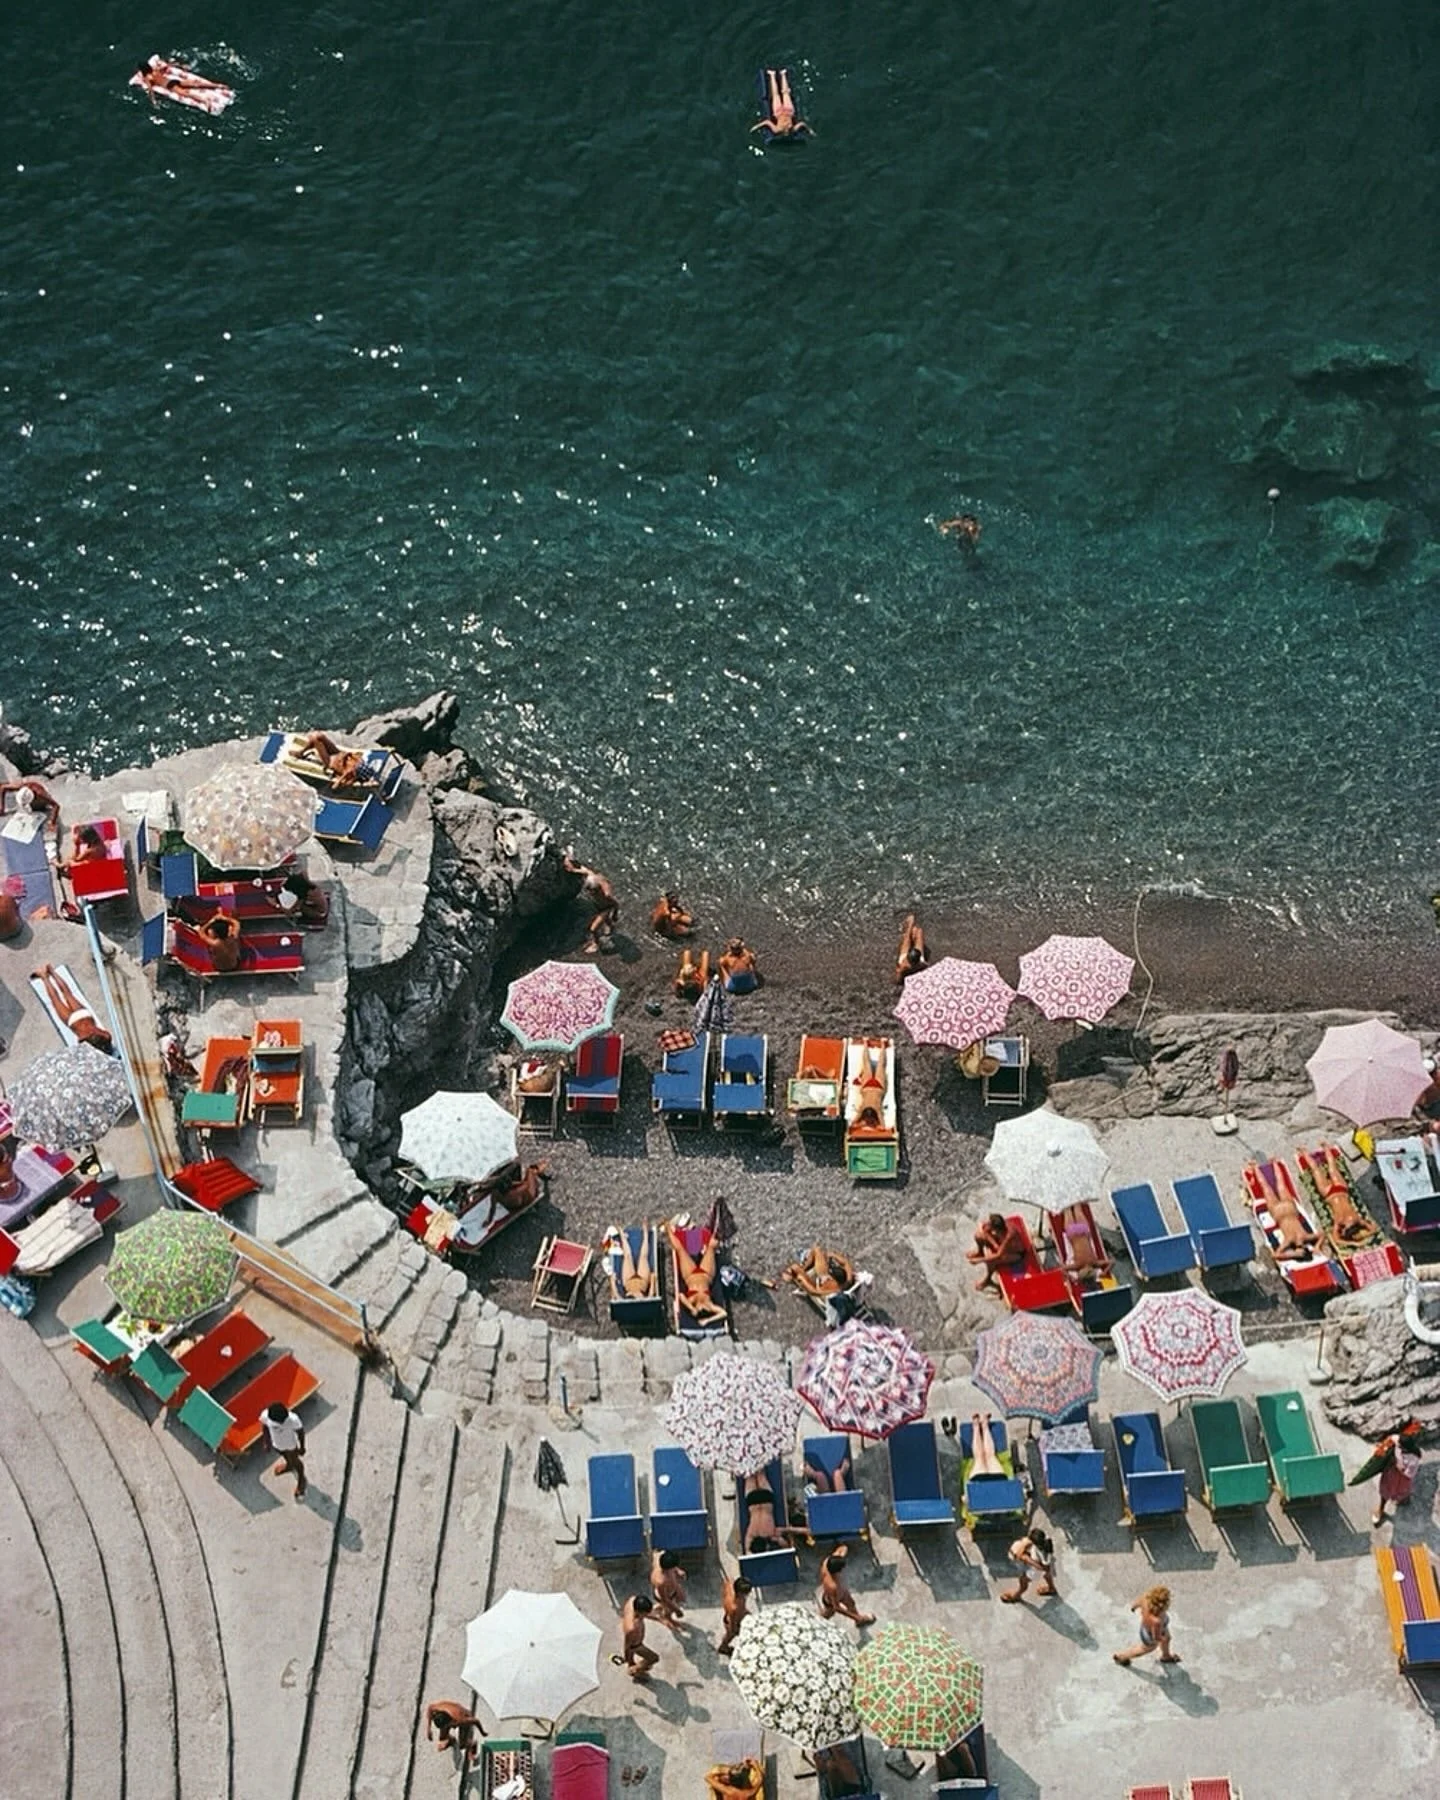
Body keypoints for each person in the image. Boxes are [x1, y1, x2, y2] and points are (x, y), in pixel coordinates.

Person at [1247, 1163, 1326, 1259]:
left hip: (1284, 1211)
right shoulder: (1297, 1238)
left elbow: (1276, 1255)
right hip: (1284, 1211)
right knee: (1273, 1185)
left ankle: (1267, 1164)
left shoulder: (1296, 1238)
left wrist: (1296, 1253)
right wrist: (1316, 1247)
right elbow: (1322, 1235)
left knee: (1274, 1185)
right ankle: (1261, 1166)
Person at [32, 963, 113, 1053]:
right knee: (55, 999)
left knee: (68, 993)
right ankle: (44, 977)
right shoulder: (88, 1045)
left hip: (85, 1015)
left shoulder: (107, 1037)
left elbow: (105, 1032)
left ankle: (51, 971)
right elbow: (79, 1039)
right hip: (73, 1022)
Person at [1297, 1146, 1371, 1242]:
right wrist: (1353, 1242)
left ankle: (1325, 1146)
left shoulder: (1356, 1220)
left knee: (1331, 1167)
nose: (1342, 1231)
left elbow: (1372, 1229)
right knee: (1316, 1169)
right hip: (1329, 1193)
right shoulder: (1340, 1221)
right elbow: (1336, 1239)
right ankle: (1304, 1151)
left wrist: (1362, 1236)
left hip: (1341, 1190)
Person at [666, 1220, 727, 1328]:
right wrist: (708, 1320)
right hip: (706, 1274)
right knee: (712, 1246)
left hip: (690, 1275)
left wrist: (691, 1308)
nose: (700, 1309)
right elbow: (723, 1313)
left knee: (680, 1249)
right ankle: (718, 1224)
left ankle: (668, 1227)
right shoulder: (709, 1306)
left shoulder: (692, 1303)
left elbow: (680, 1296)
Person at [1370, 1419, 1423, 1529]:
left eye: (1400, 1446)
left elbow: (1409, 1475)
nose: (1398, 1445)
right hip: (1390, 1474)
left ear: (1406, 1448)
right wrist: (1382, 1448)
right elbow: (1393, 1439)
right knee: (1385, 1491)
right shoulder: (1399, 1442)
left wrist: (1398, 1465)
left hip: (1402, 1478)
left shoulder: (1413, 1459)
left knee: (1401, 1492)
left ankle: (1404, 1499)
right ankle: (1381, 1509)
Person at [564, 852, 620, 953]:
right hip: (597, 906)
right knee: (606, 922)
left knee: (593, 929)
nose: (590, 893)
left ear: (598, 889)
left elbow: (615, 903)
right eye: (589, 891)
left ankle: (596, 944)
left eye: (593, 891)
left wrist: (615, 914)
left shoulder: (606, 894)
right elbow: (586, 871)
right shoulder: (592, 877)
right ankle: (611, 928)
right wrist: (573, 870)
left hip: (606, 908)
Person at [1114, 1585, 1179, 1667]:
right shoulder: (1157, 1621)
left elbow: (1136, 1604)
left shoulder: (1145, 1598)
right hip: (1151, 1635)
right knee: (1144, 1649)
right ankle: (1121, 1657)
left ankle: (1166, 1656)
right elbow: (1156, 1638)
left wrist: (1133, 1608)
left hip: (1146, 1628)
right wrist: (1164, 1638)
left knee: (1167, 1639)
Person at [817, 1543, 874, 1627]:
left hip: (842, 1593)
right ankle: (820, 1621)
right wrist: (855, 1617)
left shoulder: (827, 1562)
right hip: (831, 1600)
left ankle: (859, 1621)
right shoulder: (832, 1586)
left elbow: (843, 1548)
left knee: (851, 1604)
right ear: (837, 1571)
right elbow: (837, 1607)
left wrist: (841, 1555)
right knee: (828, 1613)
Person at [966, 1213, 1027, 1290]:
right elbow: (985, 1231)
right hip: (1000, 1244)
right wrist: (995, 1244)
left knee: (991, 1260)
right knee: (978, 1236)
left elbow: (999, 1255)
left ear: (998, 1229)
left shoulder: (1010, 1234)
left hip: (1015, 1253)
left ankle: (988, 1279)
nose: (988, 1224)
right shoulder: (993, 1224)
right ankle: (980, 1252)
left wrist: (979, 1261)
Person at [261, 1401, 307, 1501]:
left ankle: (301, 1480)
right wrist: (266, 1441)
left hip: (290, 1446)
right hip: (277, 1445)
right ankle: (289, 1466)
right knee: (285, 1456)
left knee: (297, 1462)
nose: (282, 1423)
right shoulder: (265, 1415)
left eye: (284, 1421)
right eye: (280, 1422)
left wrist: (302, 1447)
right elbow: (265, 1426)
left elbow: (301, 1432)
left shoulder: (293, 1419)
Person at [741, 1471, 796, 1554]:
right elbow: (747, 1550)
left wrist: (777, 1539)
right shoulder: (751, 1535)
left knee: (760, 1472)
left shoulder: (771, 1534)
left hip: (766, 1500)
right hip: (753, 1502)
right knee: (749, 1473)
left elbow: (787, 1546)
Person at [1001, 1526, 1057, 1603]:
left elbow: (1044, 1568)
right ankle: (1051, 1588)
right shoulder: (1045, 1539)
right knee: (1047, 1575)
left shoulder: (1042, 1554)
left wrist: (1027, 1559)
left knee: (1023, 1580)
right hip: (1042, 1564)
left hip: (1037, 1569)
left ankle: (1016, 1596)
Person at [752, 68, 811, 140]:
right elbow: (802, 124)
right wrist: (810, 130)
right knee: (786, 93)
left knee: (775, 95)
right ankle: (783, 74)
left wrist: (756, 127)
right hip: (789, 111)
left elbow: (767, 122)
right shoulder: (793, 129)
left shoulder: (777, 129)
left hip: (778, 112)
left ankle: (772, 75)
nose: (787, 131)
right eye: (787, 133)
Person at [782, 1244, 855, 1302]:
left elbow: (814, 1292)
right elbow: (845, 1263)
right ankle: (804, 1266)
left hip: (822, 1289)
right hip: (826, 1280)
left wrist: (835, 1290)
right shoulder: (848, 1279)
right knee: (816, 1249)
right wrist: (833, 1255)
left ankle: (800, 1270)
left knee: (797, 1271)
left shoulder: (836, 1288)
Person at [1055, 1205, 1108, 1280]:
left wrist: (1105, 1272)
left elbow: (1112, 1262)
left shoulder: (1094, 1263)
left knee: (1077, 1207)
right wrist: (1071, 1277)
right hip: (1073, 1233)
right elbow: (1061, 1269)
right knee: (1067, 1210)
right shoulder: (1077, 1266)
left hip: (1083, 1231)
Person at [424, 1699, 483, 1765]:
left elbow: (475, 1721)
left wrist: (483, 1732)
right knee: (442, 1738)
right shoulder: (437, 1709)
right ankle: (451, 1740)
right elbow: (430, 1708)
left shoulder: (460, 1719)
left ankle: (472, 1744)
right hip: (450, 1718)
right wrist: (428, 1729)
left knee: (462, 1745)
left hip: (465, 1716)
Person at [608, 1222, 656, 1299]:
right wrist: (653, 1280)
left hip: (628, 1282)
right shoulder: (642, 1304)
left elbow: (617, 1296)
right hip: (642, 1283)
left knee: (627, 1257)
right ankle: (646, 1235)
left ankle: (622, 1236)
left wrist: (612, 1282)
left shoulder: (625, 1304)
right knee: (643, 1258)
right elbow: (650, 1295)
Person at [617, 1594, 658, 1681]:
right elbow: (627, 1645)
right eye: (645, 1614)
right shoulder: (632, 1628)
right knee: (654, 1658)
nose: (647, 1615)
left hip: (634, 1640)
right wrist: (627, 1657)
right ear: (639, 1612)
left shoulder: (632, 1601)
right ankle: (634, 1670)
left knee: (632, 1660)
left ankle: (633, 1665)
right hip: (636, 1645)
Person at [716, 1572, 753, 1655]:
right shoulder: (734, 1608)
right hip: (732, 1620)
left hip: (735, 1615)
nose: (748, 1594)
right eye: (747, 1593)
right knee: (729, 1636)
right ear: (741, 1593)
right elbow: (732, 1624)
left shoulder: (730, 1584)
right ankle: (723, 1647)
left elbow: (726, 1587)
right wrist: (735, 1630)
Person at [650, 1548, 687, 1628]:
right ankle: (667, 1617)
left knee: (681, 1598)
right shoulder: (661, 1581)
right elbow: (665, 1599)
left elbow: (656, 1553)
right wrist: (676, 1610)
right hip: (665, 1595)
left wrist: (678, 1571)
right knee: (668, 1610)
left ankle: (659, 1607)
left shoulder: (659, 1558)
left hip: (672, 1589)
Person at [894, 912, 929, 983]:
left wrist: (900, 970)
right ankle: (912, 931)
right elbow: (926, 965)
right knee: (919, 931)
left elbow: (897, 979)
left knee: (907, 937)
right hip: (917, 966)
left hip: (906, 966)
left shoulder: (904, 966)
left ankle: (910, 924)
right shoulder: (921, 965)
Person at [968, 1413, 1007, 1478]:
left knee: (979, 1458)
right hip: (998, 1480)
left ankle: (977, 1427)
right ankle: (983, 1427)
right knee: (991, 1457)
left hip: (979, 1481)